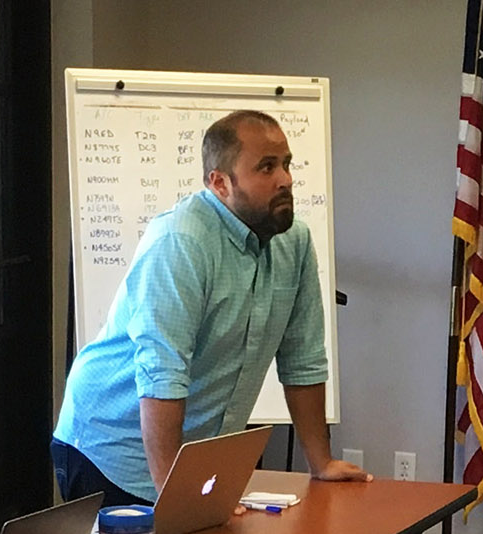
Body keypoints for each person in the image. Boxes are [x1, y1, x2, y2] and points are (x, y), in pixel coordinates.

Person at [51, 109, 369, 505]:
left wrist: (320, 463)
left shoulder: (295, 241)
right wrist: (178, 497)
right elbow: (162, 377)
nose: (285, 179)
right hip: (111, 447)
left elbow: (302, 358)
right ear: (219, 182)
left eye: (286, 164)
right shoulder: (181, 242)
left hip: (191, 452)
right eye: (266, 168)